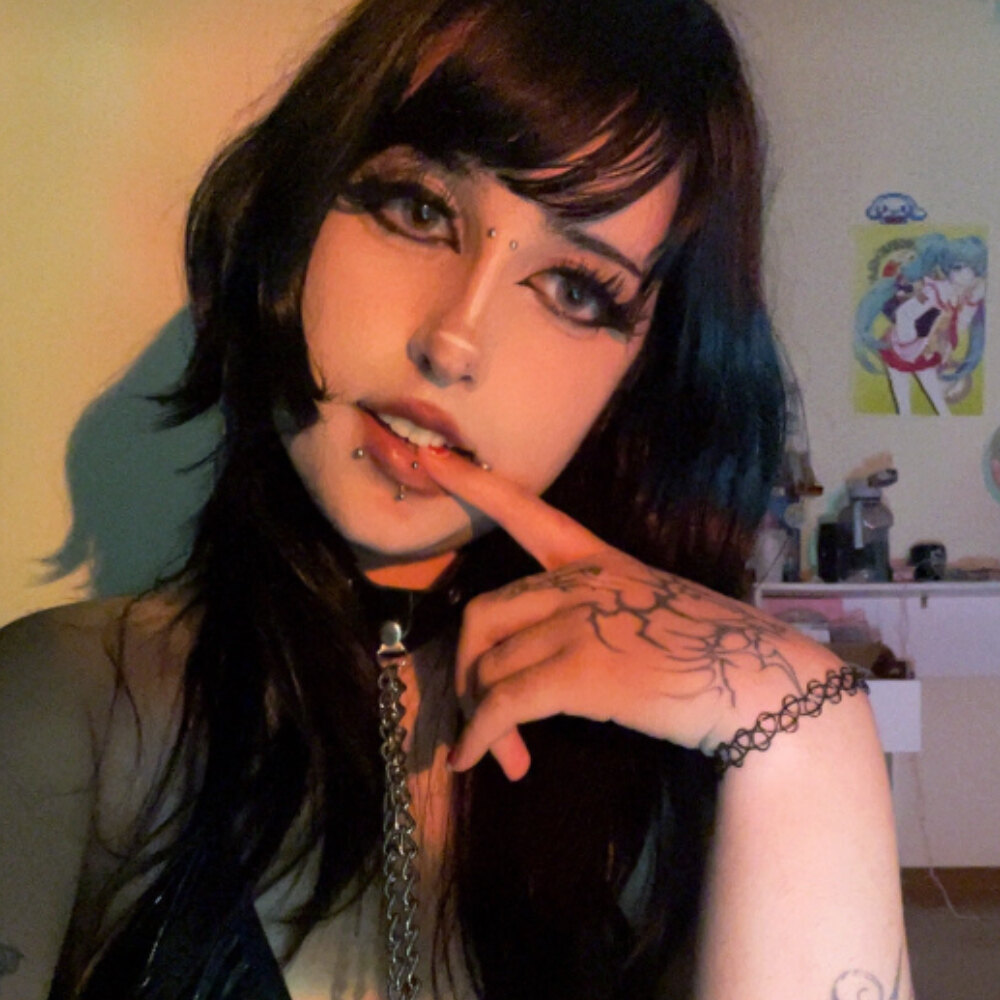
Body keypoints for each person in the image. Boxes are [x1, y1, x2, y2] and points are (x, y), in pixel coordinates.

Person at [0, 0, 912, 997]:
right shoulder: (72, 707)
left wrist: (806, 729)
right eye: (417, 208)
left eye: (576, 288)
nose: (455, 340)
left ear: (641, 376)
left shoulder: (677, 780)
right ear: (296, 210)